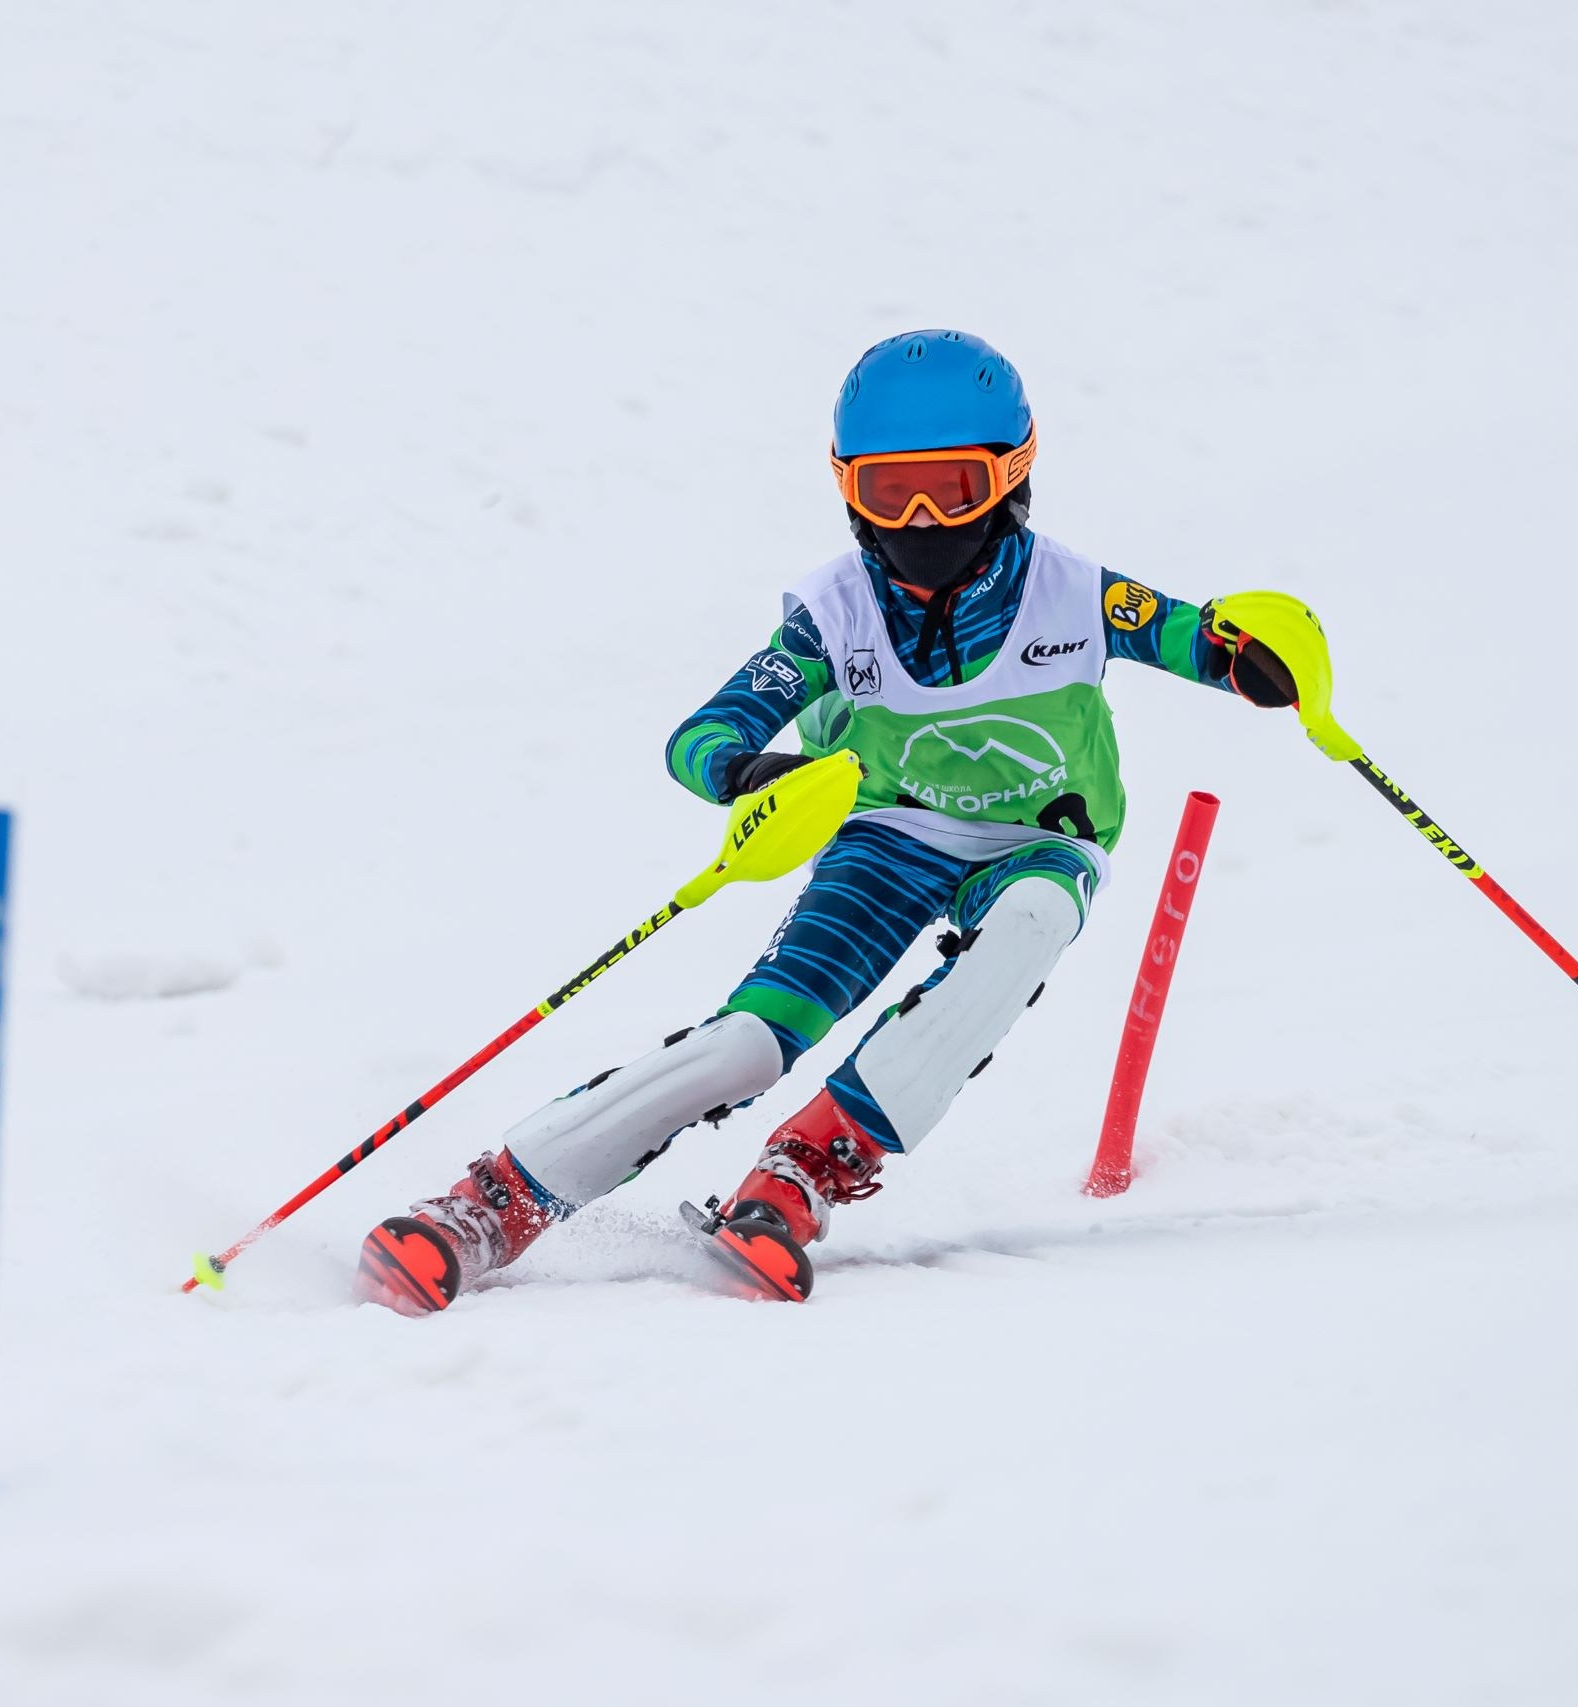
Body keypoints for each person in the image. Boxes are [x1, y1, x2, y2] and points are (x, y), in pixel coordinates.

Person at [354, 329, 1316, 1312]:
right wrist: (744, 768)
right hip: (886, 838)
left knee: (1025, 928)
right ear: (846, 488)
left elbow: (1202, 638)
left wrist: (1258, 658)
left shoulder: (1074, 594)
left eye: (953, 485)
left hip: (1040, 842)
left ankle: (807, 1167)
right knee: (747, 1045)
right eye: (888, 493)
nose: (923, 519)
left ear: (1012, 475)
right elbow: (703, 732)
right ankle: (492, 1202)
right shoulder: (836, 613)